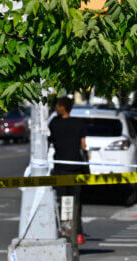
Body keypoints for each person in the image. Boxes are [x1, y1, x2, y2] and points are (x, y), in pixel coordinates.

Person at [47, 96, 89, 244]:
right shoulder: (79, 123)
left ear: (63, 106)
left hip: (60, 168)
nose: (56, 107)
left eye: (57, 105)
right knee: (76, 201)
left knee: (62, 201)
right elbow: (83, 146)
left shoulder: (54, 123)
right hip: (76, 167)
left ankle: (65, 230)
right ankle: (78, 233)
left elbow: (47, 143)